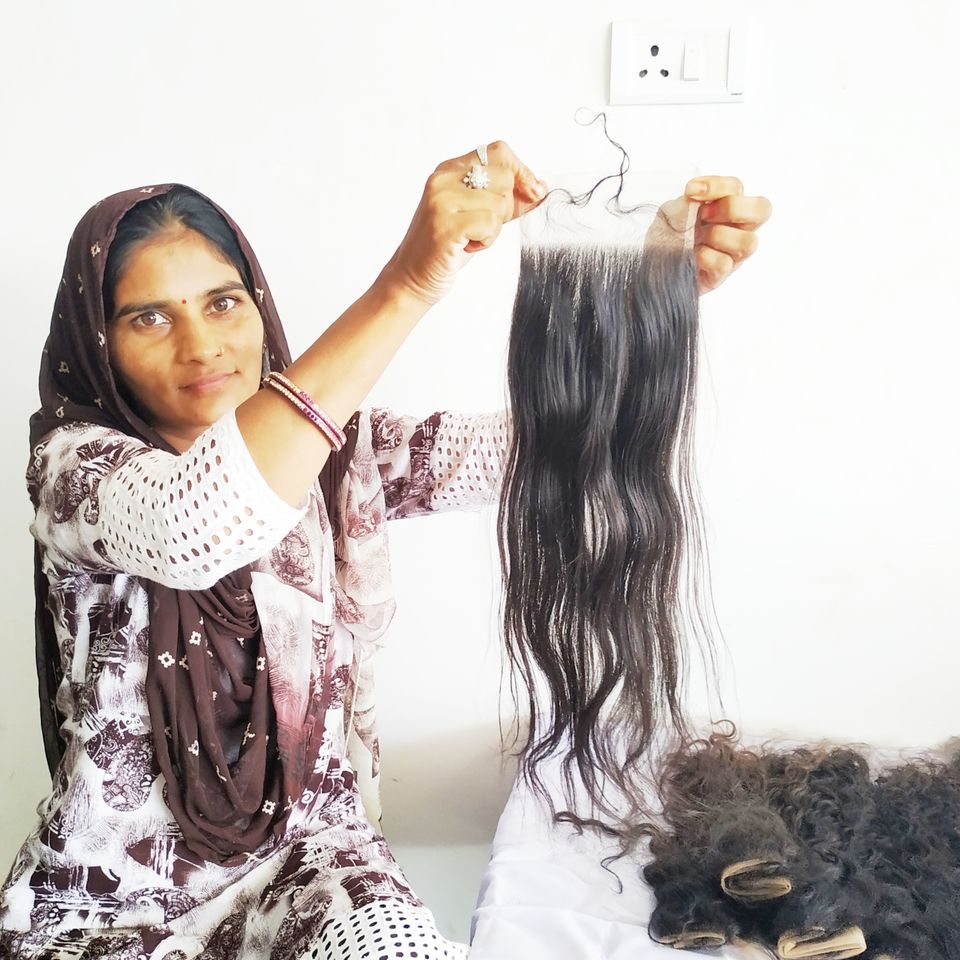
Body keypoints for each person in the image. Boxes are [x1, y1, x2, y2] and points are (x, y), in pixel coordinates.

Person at [0, 142, 771, 959]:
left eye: (222, 303)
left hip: (315, 864)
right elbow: (198, 522)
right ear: (98, 342)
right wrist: (407, 282)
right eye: (149, 318)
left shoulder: (342, 454)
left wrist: (645, 299)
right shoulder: (75, 469)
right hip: (109, 907)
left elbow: (553, 449)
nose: (201, 345)